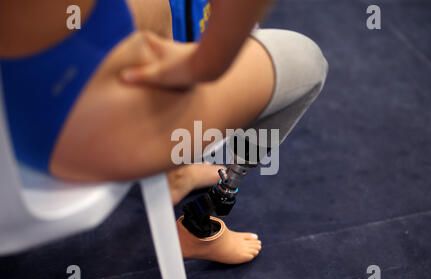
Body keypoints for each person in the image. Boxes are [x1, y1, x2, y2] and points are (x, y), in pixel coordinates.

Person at [0, 0, 328, 264]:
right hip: (64, 136)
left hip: (13, 113)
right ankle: (202, 221)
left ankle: (177, 174)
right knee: (306, 62)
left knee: (156, 9)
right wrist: (203, 64)